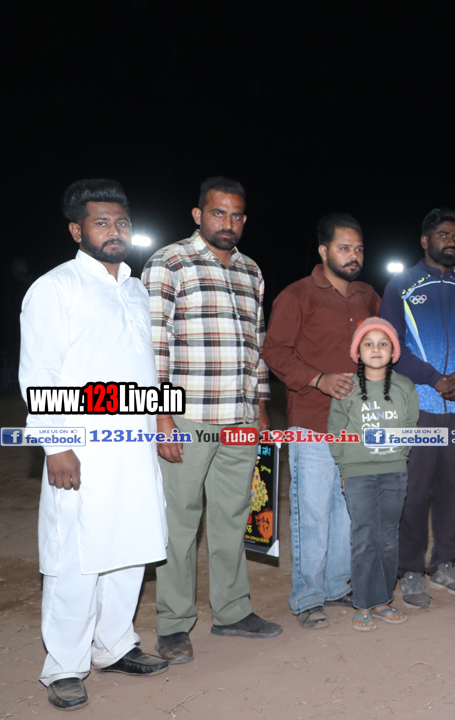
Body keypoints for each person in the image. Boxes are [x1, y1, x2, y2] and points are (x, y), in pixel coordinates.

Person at [20, 179, 170, 710]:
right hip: (82, 445)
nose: (114, 231)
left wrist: (161, 418)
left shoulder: (135, 289)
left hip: (133, 444)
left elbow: (143, 366)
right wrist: (56, 444)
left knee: (131, 546)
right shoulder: (55, 288)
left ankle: (115, 645)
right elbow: (39, 371)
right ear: (76, 230)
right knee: (76, 556)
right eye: (101, 222)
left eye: (121, 222)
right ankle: (64, 665)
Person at [143, 177, 281, 664]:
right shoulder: (169, 262)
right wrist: (160, 416)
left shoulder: (251, 270)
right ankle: (173, 625)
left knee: (231, 519)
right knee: (180, 524)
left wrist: (260, 408)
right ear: (198, 215)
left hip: (239, 419)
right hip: (187, 416)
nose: (228, 223)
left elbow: (255, 346)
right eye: (218, 213)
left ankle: (232, 612)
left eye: (237, 215)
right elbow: (154, 345)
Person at [263, 212, 381, 628]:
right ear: (323, 250)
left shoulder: (368, 296)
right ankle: (308, 596)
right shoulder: (298, 295)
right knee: (312, 513)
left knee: (348, 510)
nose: (353, 255)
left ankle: (336, 585)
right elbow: (274, 351)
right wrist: (318, 379)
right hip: (312, 422)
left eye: (359, 248)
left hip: (358, 424)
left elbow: (387, 340)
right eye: (344, 248)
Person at [379, 208, 455, 609]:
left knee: (453, 491)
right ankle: (409, 569)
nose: (451, 241)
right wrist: (432, 378)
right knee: (415, 490)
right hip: (418, 404)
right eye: (443, 235)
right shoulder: (401, 285)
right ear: (425, 241)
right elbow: (390, 345)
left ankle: (443, 563)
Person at [327, 318, 418, 631]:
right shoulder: (347, 387)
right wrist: (344, 466)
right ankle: (363, 602)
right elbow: (336, 430)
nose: (376, 349)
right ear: (357, 351)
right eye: (368, 343)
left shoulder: (405, 387)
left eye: (383, 343)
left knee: (388, 537)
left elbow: (410, 426)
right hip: (358, 473)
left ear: (393, 351)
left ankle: (383, 601)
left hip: (394, 472)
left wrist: (398, 456)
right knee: (364, 537)